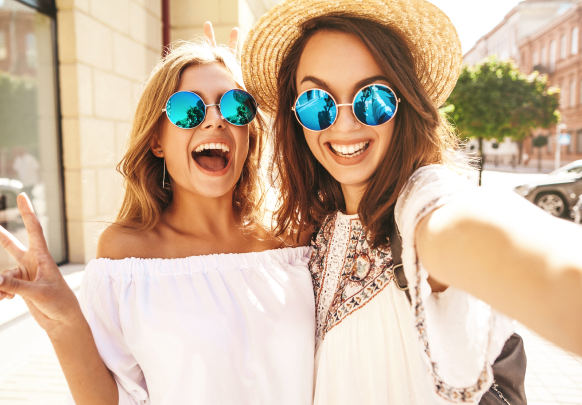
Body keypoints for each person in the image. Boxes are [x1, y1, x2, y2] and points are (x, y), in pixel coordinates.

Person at [241, 0, 582, 403]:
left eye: (373, 98)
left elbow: (479, 232)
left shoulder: (422, 204)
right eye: (318, 103)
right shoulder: (313, 226)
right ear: (295, 117)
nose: (345, 123)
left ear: (404, 102)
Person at [0, 32, 316, 404]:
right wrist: (64, 321)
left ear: (249, 132)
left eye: (235, 106)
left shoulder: (294, 240)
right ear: (157, 141)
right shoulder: (128, 256)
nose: (215, 120)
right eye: (188, 109)